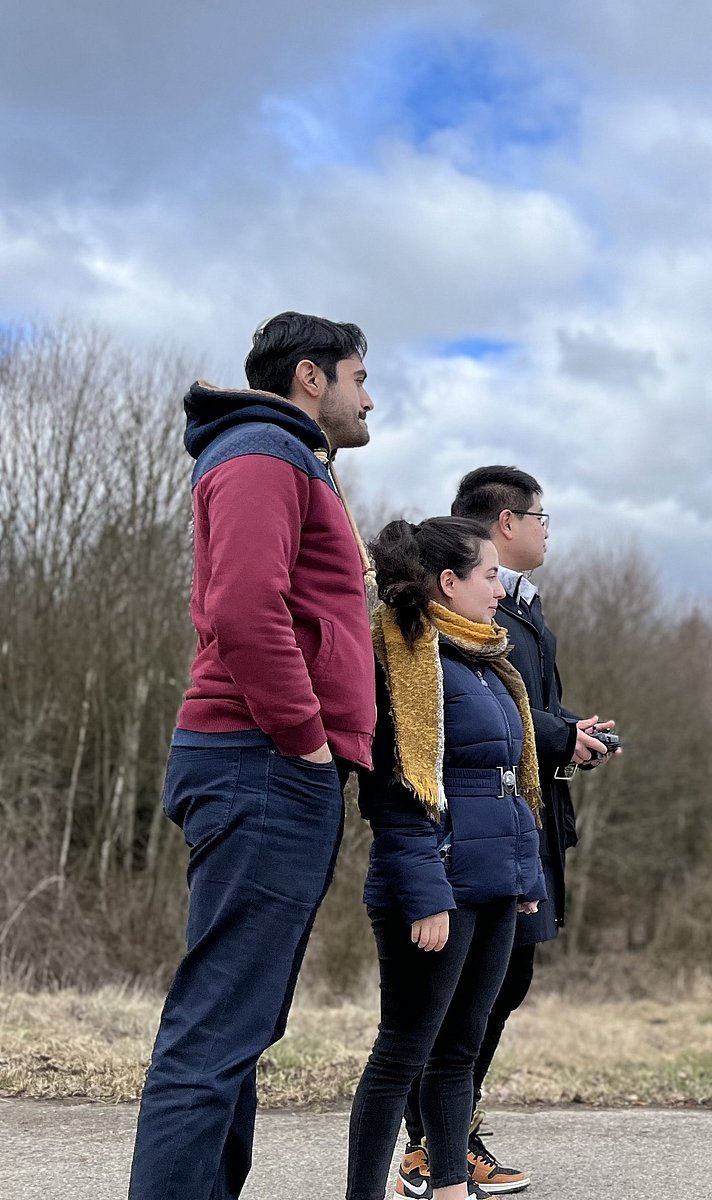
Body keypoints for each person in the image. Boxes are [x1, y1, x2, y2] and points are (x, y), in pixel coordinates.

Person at [129, 312, 376, 1200]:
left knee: (240, 1022)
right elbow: (242, 609)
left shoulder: (288, 457)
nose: (368, 399)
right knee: (218, 1025)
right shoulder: (265, 451)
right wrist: (306, 738)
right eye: (358, 378)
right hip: (262, 760)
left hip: (267, 763)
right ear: (311, 376)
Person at [389, 466, 617, 1196]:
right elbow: (467, 724)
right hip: (475, 833)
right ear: (507, 522)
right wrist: (559, 735)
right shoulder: (456, 621)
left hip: (524, 823)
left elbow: (522, 709)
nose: (549, 533)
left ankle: (450, 1139)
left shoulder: (522, 609)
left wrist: (572, 732)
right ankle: (430, 1145)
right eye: (542, 518)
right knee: (462, 1000)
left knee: (504, 986)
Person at [345, 517, 548, 1200]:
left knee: (459, 1051)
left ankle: (451, 1189)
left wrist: (525, 876)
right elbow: (395, 792)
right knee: (402, 1053)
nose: (500, 589)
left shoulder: (485, 662)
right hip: (436, 889)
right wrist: (425, 894)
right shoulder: (406, 661)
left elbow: (507, 783)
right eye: (489, 575)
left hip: (492, 886)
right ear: (449, 582)